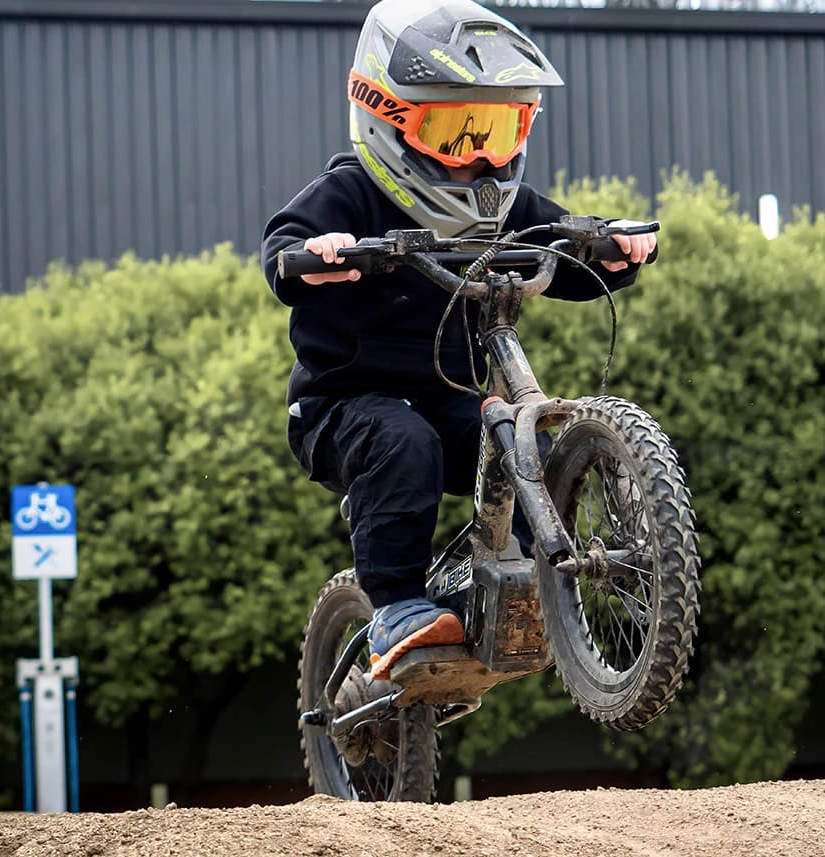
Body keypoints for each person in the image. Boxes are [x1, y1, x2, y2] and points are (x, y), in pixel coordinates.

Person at [260, 0, 656, 680]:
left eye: (499, 132)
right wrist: (320, 253)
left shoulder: (505, 206)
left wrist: (609, 243)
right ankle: (396, 605)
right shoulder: (351, 192)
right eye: (457, 132)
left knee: (516, 445)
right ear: (390, 118)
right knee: (401, 443)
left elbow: (561, 250)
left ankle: (540, 580)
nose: (480, 158)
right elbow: (283, 250)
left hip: (445, 398)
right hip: (341, 406)